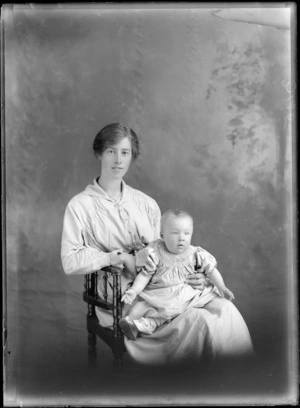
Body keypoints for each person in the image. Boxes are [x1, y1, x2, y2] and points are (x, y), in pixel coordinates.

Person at [61, 122, 254, 365]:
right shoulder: (80, 206)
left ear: (132, 156)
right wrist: (119, 257)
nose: (118, 160)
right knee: (201, 322)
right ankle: (202, 386)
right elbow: (70, 260)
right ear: (99, 153)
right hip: (123, 299)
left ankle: (236, 384)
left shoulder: (146, 204)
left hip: (166, 288)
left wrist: (196, 276)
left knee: (225, 310)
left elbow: (164, 253)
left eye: (125, 152)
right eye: (111, 151)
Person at [119, 209, 235, 340]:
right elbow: (145, 275)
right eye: (175, 233)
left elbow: (211, 270)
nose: (182, 238)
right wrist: (134, 290)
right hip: (161, 292)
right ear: (162, 235)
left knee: (171, 306)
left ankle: (148, 324)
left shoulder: (195, 254)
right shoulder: (155, 252)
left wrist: (222, 286)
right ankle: (138, 324)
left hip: (185, 293)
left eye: (187, 233)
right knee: (147, 307)